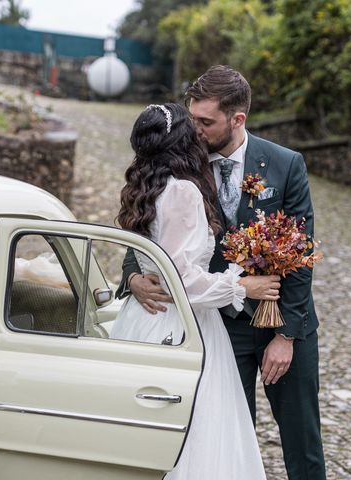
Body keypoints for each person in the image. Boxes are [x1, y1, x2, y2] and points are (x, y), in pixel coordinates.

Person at [119, 66, 327, 480]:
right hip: (218, 324)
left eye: (205, 122)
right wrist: (132, 275)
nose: (195, 130)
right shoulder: (181, 165)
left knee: (303, 442)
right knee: (225, 437)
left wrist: (285, 335)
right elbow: (146, 223)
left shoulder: (285, 165)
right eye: (192, 118)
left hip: (282, 320)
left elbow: (301, 251)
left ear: (238, 119)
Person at [111, 102, 281, 479]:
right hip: (183, 325)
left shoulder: (144, 187)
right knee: (196, 429)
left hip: (142, 321)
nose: (200, 134)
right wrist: (241, 285)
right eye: (193, 127)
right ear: (181, 139)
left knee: (145, 433)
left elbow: (155, 258)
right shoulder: (183, 191)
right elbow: (183, 280)